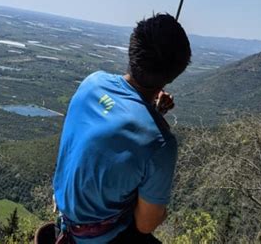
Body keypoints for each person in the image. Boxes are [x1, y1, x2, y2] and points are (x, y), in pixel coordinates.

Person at [46, 13, 192, 244]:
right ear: (175, 74)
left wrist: (151, 112)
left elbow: (115, 126)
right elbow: (146, 224)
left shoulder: (92, 82)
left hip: (65, 224)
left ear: (132, 47)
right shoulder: (160, 143)